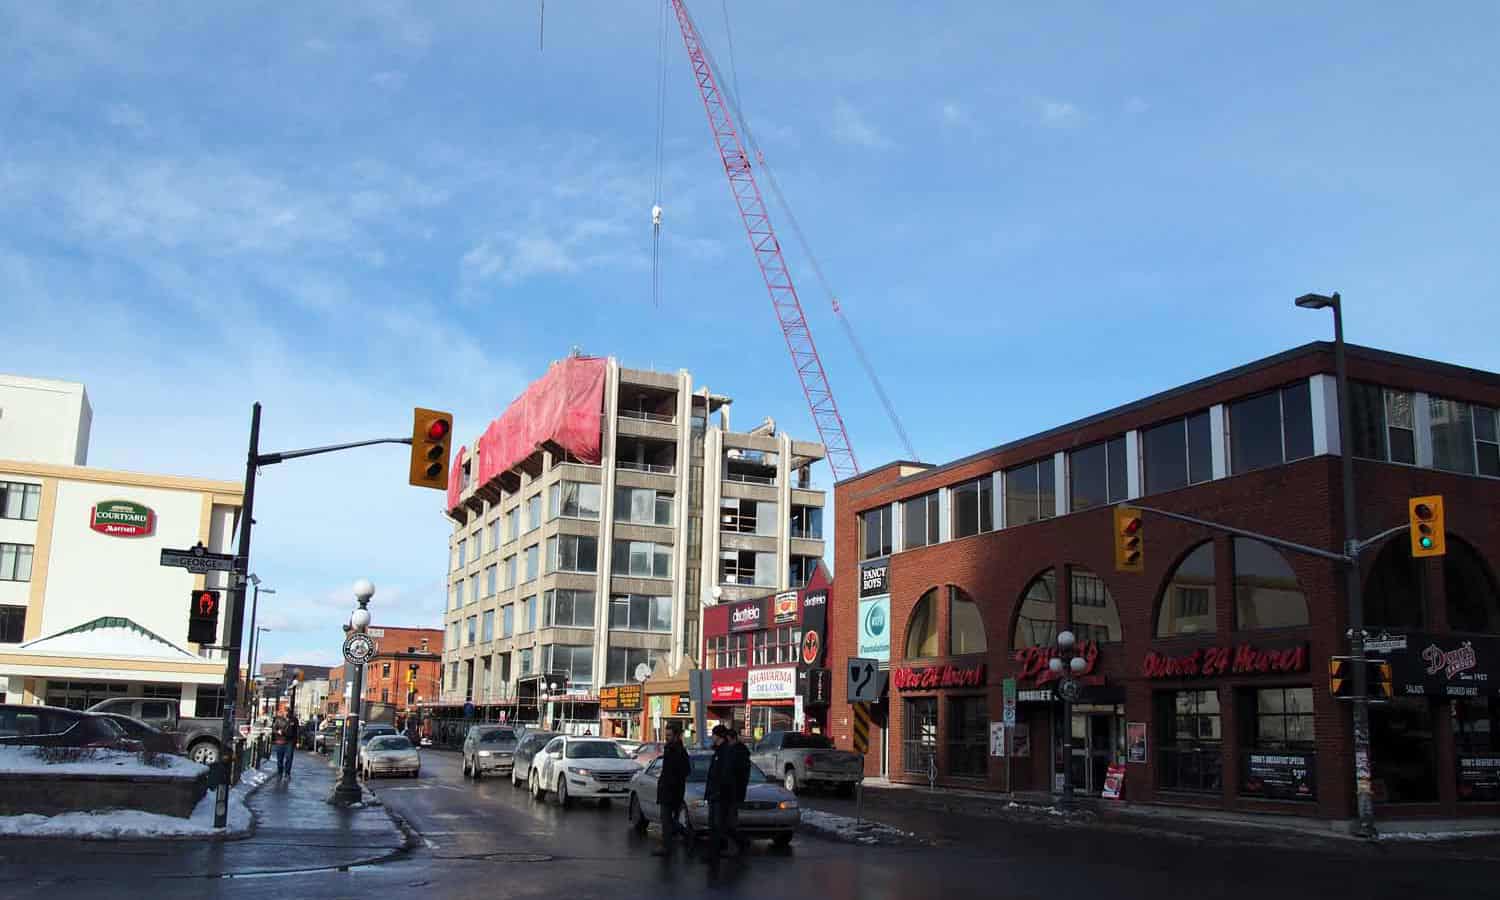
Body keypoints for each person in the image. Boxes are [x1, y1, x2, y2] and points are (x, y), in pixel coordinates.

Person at [652, 723, 691, 857]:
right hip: (668, 790)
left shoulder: (678, 751)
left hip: (672, 791)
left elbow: (684, 771)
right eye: (666, 735)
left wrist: (672, 784)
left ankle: (668, 845)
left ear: (676, 735)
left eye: (669, 735)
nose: (666, 738)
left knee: (666, 820)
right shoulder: (670, 749)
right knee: (668, 820)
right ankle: (683, 837)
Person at [702, 725, 736, 864]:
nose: (712, 737)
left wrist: (717, 792)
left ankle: (714, 854)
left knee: (716, 826)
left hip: (719, 796)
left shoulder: (725, 752)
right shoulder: (718, 752)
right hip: (714, 794)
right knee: (714, 825)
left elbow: (724, 775)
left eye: (714, 735)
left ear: (719, 736)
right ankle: (714, 852)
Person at [727, 727, 753, 853]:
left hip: (734, 791)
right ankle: (738, 843)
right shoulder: (741, 752)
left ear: (732, 739)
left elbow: (736, 773)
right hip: (737, 790)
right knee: (731, 819)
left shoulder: (737, 752)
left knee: (730, 821)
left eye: (728, 740)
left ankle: (739, 843)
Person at [272, 713, 299, 779]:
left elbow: (297, 731)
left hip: (290, 741)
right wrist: (278, 731)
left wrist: (297, 741)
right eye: (285, 711)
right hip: (280, 741)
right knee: (280, 759)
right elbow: (273, 729)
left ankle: (287, 773)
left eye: (288, 711)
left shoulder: (294, 720)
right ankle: (280, 772)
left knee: (289, 758)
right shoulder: (278, 720)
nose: (286, 713)